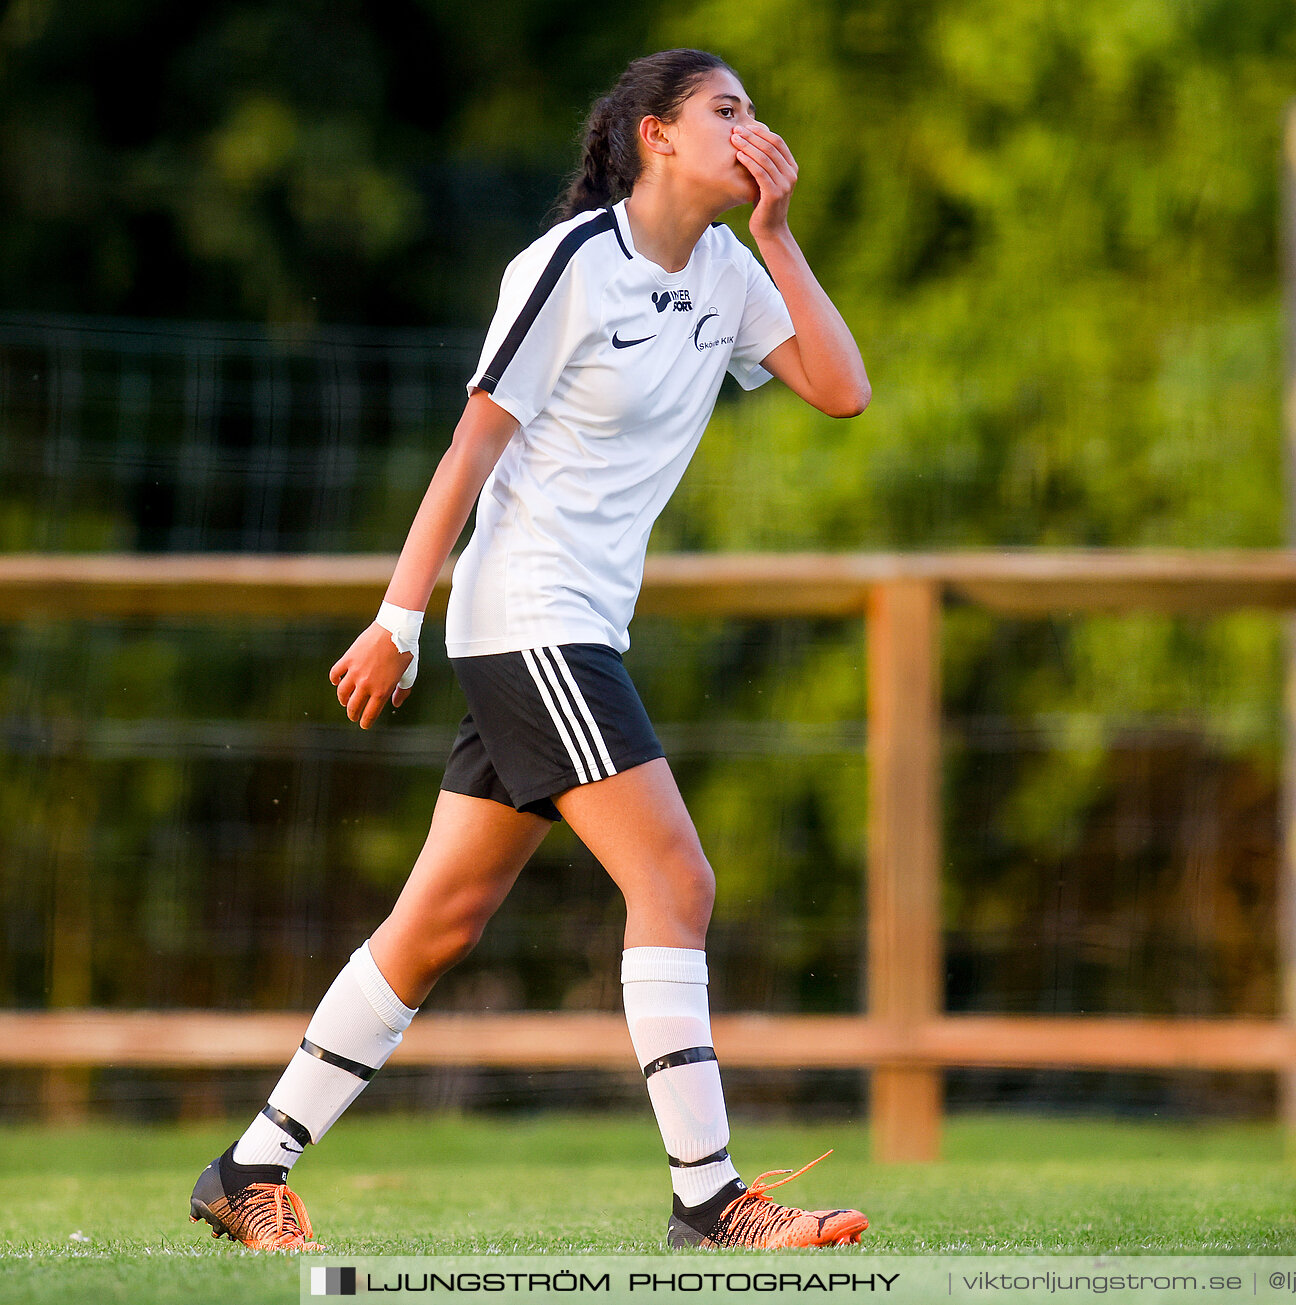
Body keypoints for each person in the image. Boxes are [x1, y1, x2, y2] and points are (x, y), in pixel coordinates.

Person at [187, 48, 872, 1253]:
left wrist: (778, 233)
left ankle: (248, 1165)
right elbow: (471, 445)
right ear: (656, 135)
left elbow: (843, 390)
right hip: (530, 620)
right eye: (728, 111)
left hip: (576, 631)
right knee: (678, 882)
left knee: (435, 925)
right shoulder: (571, 265)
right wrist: (397, 619)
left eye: (756, 112)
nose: (752, 127)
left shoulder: (727, 268)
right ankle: (709, 1199)